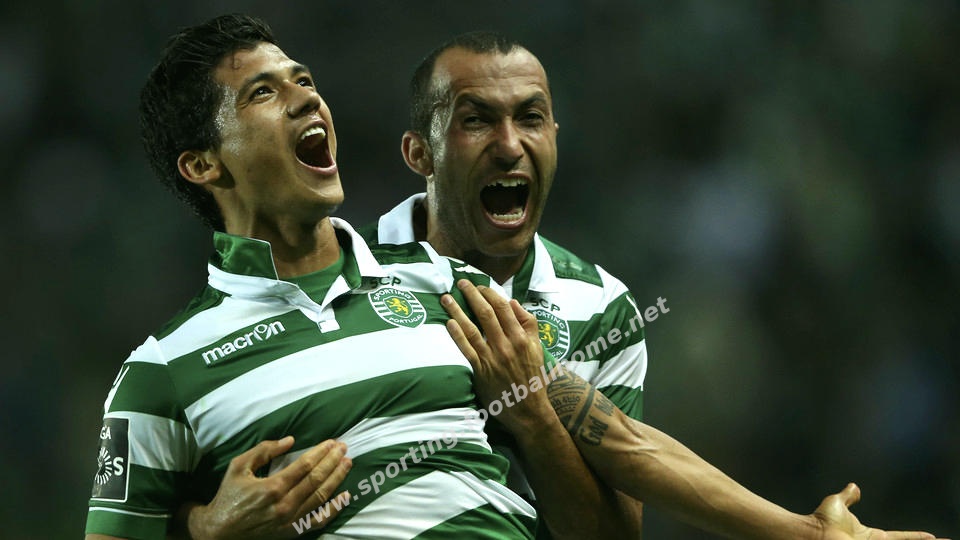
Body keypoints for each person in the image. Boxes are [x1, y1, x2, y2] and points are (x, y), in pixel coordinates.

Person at [87, 13, 943, 540]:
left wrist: (802, 533)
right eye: (265, 95)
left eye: (305, 81)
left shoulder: (444, 284)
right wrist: (205, 532)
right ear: (203, 164)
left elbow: (622, 442)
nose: (309, 99)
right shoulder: (159, 374)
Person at [356, 31, 649, 539]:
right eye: (477, 121)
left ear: (554, 136)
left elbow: (616, 535)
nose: (510, 146)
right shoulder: (343, 275)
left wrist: (531, 418)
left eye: (530, 118)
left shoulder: (603, 308)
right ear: (420, 153)